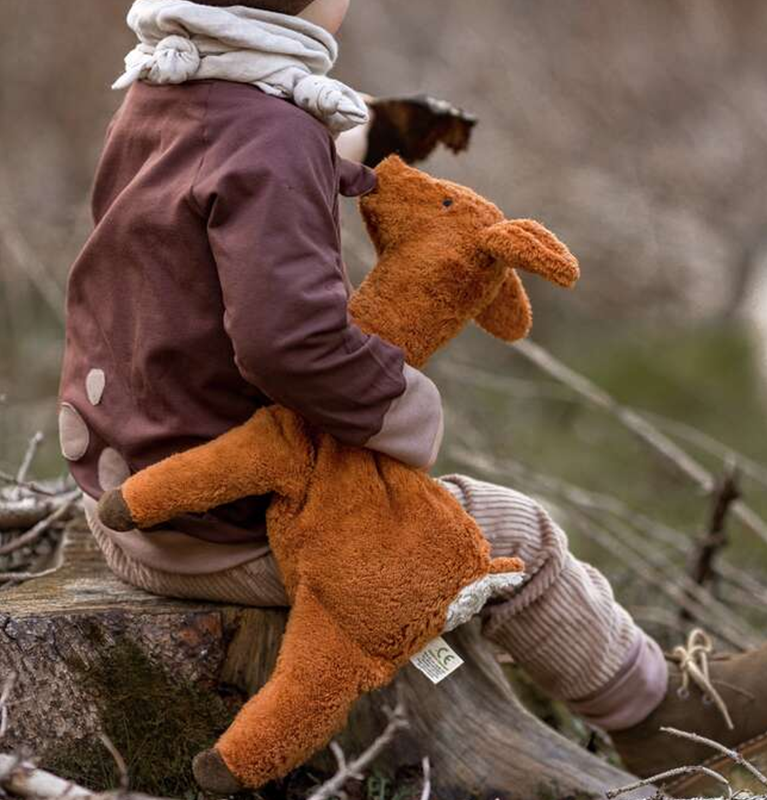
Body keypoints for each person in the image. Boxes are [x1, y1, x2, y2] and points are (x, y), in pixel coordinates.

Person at [58, 0, 766, 789]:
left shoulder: (164, 87)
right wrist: (403, 408)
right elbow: (287, 340)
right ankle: (661, 716)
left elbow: (247, 153)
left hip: (130, 479)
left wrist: (372, 131)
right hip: (228, 525)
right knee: (516, 533)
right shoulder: (275, 138)